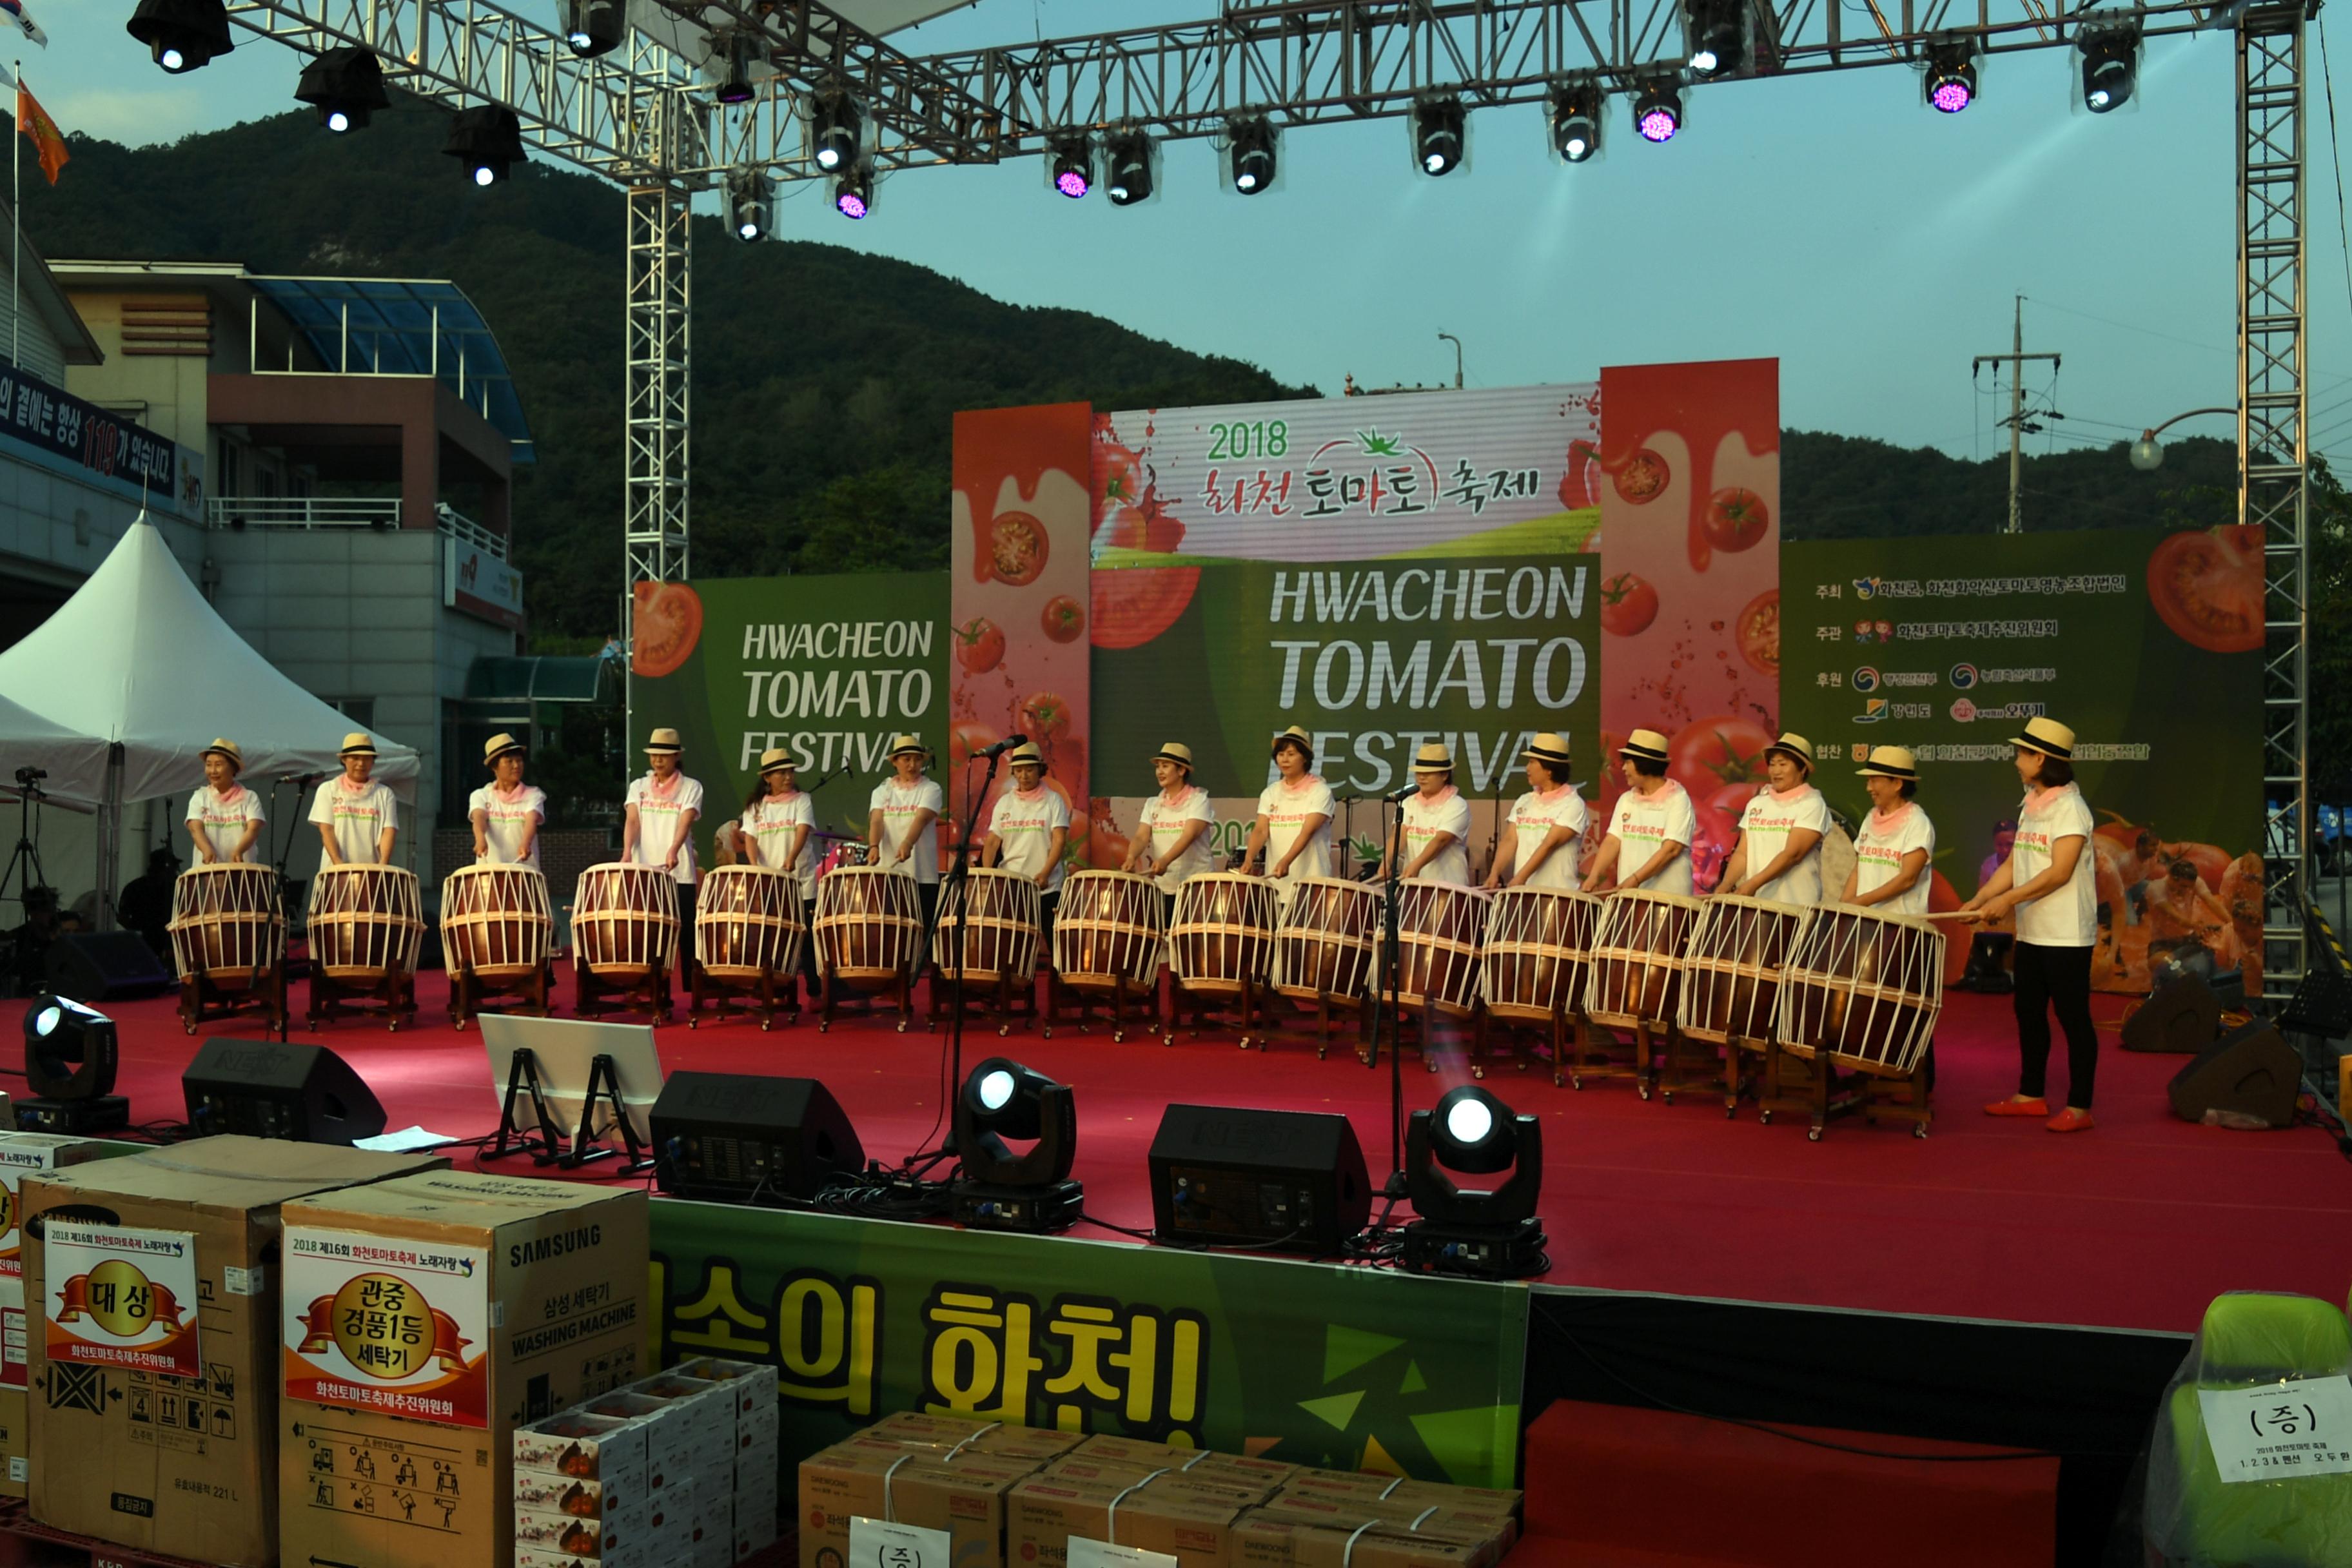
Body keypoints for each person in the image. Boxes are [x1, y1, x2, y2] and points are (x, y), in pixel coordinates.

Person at [1961, 716, 2100, 1133]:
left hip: (2067, 933)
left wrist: (2006, 901)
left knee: (2073, 1018)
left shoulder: (2071, 809)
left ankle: (2080, 1105)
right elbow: (2016, 865)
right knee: (2028, 1012)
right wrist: (1982, 898)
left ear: (2042, 758)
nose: (2017, 761)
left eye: (2023, 753)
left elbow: (2059, 873)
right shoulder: (2032, 803)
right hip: (2034, 930)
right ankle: (2031, 1094)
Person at [736, 746, 817, 986]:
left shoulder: (802, 800)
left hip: (800, 880)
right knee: (774, 939)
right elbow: (750, 838)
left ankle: (814, 991)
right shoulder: (756, 807)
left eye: (790, 772)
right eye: (781, 773)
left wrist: (791, 857)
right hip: (770, 883)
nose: (788, 777)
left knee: (806, 938)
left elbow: (802, 830)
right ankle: (779, 991)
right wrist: (754, 866)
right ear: (767, 778)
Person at [1718, 732, 1829, 902]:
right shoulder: (1757, 804)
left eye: (1783, 764)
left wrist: (1753, 884)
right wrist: (1726, 885)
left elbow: (1793, 855)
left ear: (1803, 769)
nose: (1776, 771)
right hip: (1757, 903)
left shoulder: (1812, 804)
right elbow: (1742, 852)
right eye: (1772, 764)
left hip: (1795, 904)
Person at [1583, 729, 1696, 896]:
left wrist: (1635, 880)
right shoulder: (1627, 800)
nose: (1623, 768)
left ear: (1644, 764)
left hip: (1670, 900)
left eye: (1628, 763)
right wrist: (1594, 876)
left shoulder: (1678, 799)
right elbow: (1613, 841)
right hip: (1631, 897)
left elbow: (1671, 849)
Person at [623, 727, 705, 951]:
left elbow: (685, 821)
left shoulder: (691, 787)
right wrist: (627, 852)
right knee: (647, 928)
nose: (658, 760)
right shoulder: (638, 786)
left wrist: (673, 850)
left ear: (676, 756)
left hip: (679, 871)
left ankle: (691, 983)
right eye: (654, 755)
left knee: (686, 929)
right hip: (645, 869)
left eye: (664, 755)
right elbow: (632, 821)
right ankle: (650, 982)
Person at [980, 742, 1070, 945]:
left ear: (1040, 770)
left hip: (1046, 885)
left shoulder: (1053, 800)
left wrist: (1046, 872)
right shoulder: (1005, 802)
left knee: (1055, 941)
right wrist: (988, 875)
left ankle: (1058, 976)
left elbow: (1059, 839)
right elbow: (993, 841)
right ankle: (1017, 978)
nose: (1024, 775)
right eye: (1019, 770)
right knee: (1013, 943)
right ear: (1013, 772)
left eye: (1030, 769)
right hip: (1012, 885)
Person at [870, 734, 945, 973]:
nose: (911, 765)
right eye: (906, 760)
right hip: (891, 873)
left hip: (921, 873)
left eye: (916, 760)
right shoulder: (882, 790)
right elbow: (877, 821)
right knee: (893, 926)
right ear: (895, 762)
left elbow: (922, 818)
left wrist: (908, 843)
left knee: (926, 926)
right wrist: (874, 846)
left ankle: (935, 977)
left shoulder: (931, 788)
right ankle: (895, 972)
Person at [1125, 742, 1217, 924]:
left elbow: (1188, 836)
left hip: (1196, 887)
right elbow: (1141, 836)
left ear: (1182, 770)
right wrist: (1131, 857)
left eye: (1165, 766)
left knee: (1191, 945)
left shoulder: (1199, 801)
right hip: (1164, 887)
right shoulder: (1153, 803)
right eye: (1158, 767)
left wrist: (1165, 861)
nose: (1160, 771)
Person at [1486, 733, 1587, 892]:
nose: (1527, 768)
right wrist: (1494, 873)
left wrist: (1521, 878)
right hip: (1524, 892)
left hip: (1558, 895)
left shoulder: (1573, 804)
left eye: (1532, 762)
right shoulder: (1525, 800)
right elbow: (1510, 840)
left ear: (1549, 770)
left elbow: (1549, 844)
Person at [1244, 726, 1335, 899]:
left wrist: (1287, 860)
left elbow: (1307, 832)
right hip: (1277, 885)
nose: (1285, 759)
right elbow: (1261, 830)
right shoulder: (1271, 792)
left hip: (1311, 884)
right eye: (1281, 754)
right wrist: (1249, 859)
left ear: (1305, 759)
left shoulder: (1320, 791)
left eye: (1291, 754)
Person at [1381, 743, 1472, 885]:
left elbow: (1441, 840)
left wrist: (1417, 864)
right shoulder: (1408, 803)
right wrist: (1387, 860)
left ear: (1444, 775)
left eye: (1428, 773)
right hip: (1413, 886)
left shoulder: (1457, 805)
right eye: (1419, 773)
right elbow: (1400, 836)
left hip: (1448, 887)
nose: (1421, 777)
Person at [309, 731, 398, 868]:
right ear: (344, 760)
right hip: (335, 870)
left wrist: (383, 865)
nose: (361, 764)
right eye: (355, 758)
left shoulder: (385, 793)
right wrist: (338, 864)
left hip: (372, 871)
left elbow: (389, 831)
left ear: (373, 762)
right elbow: (327, 830)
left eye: (367, 759)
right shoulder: (328, 789)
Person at [470, 733, 547, 870]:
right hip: (489, 873)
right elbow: (479, 817)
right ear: (495, 767)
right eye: (509, 762)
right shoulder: (481, 795)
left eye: (519, 761)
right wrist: (480, 839)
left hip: (525, 871)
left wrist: (526, 843)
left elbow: (531, 819)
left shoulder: (534, 794)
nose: (517, 766)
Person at [185, 738, 264, 864]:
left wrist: (238, 851)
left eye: (218, 765)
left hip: (241, 869)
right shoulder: (200, 797)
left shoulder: (249, 797)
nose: (213, 771)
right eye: (209, 765)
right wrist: (207, 850)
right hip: (208, 870)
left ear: (234, 768)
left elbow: (253, 829)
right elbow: (196, 829)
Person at [2144, 858, 2231, 972]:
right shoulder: (2156, 888)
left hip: (2189, 938)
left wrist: (2232, 924)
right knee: (2160, 965)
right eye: (2183, 886)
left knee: (2227, 945)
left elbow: (2212, 902)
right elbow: (2173, 916)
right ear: (2171, 878)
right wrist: (2194, 925)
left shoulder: (2194, 882)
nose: (2187, 890)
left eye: (2190, 887)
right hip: (2163, 942)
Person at [119, 844, 181, 959]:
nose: (175, 872)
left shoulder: (178, 886)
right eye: (172, 868)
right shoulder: (136, 888)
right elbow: (123, 917)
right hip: (145, 943)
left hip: (173, 942)